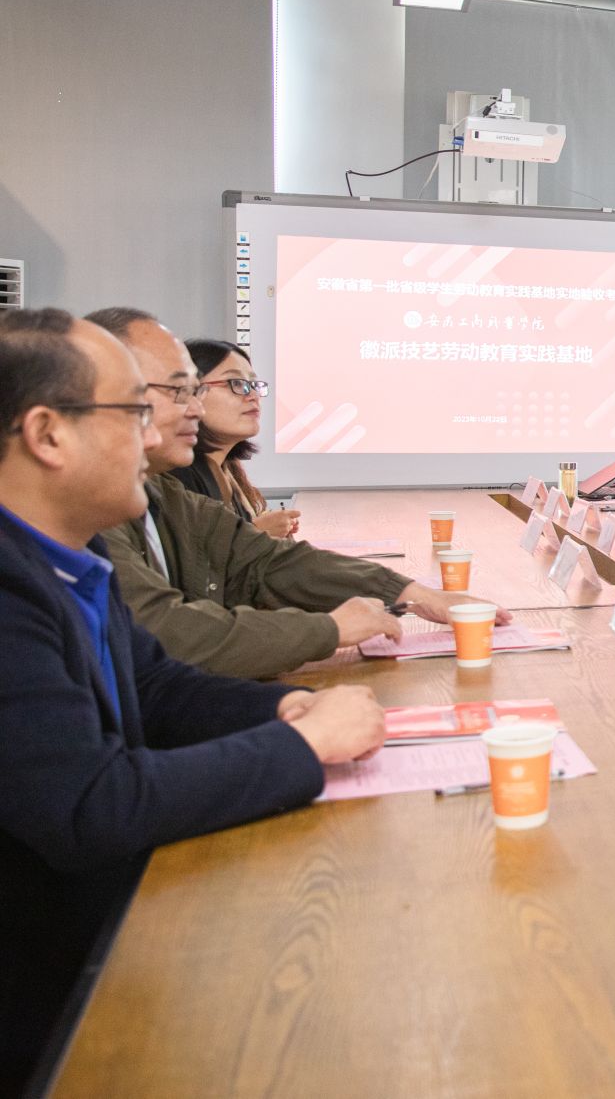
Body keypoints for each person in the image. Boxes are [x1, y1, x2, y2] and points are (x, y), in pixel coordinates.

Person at [0, 309, 385, 1096]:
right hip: (40, 993)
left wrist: (283, 710)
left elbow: (156, 683)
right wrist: (303, 747)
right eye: (132, 412)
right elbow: (90, 805)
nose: (152, 436)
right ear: (47, 434)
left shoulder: (72, 552)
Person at [86, 308, 508, 681]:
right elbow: (163, 632)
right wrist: (330, 630)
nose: (194, 409)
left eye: (195, 392)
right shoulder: (91, 510)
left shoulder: (160, 491)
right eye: (180, 392)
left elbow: (264, 560)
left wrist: (411, 594)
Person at [169, 338, 297, 538]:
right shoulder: (177, 477)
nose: (253, 395)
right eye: (235, 383)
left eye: (253, 384)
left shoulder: (227, 471)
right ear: (189, 393)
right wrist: (256, 533)